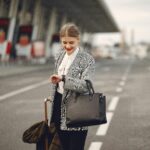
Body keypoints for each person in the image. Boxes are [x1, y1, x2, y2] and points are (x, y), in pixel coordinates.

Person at [49, 23, 95, 150]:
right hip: (58, 106)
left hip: (77, 108)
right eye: (64, 42)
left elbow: (87, 85)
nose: (67, 46)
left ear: (78, 40)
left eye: (71, 42)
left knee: (76, 147)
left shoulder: (87, 59)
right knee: (62, 145)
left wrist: (64, 78)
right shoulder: (59, 56)